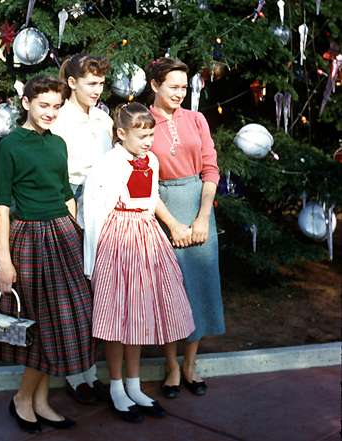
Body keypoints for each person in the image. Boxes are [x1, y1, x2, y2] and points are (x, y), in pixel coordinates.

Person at [0, 76, 93, 433]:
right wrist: (4, 260)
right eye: (43, 105)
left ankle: (40, 401)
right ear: (26, 102)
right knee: (41, 325)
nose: (50, 112)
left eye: (57, 106)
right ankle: (23, 399)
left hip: (63, 235)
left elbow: (66, 195)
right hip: (29, 240)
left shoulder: (59, 144)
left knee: (62, 323)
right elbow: (2, 206)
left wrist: (75, 235)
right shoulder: (10, 146)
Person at [83, 103, 195, 422]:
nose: (147, 141)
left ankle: (134, 385)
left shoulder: (152, 160)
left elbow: (150, 198)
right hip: (119, 242)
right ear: (121, 133)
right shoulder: (109, 164)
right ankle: (116, 387)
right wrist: (92, 263)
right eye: (141, 135)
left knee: (139, 315)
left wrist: (168, 225)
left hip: (147, 240)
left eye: (150, 134)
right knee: (119, 319)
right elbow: (94, 214)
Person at [146, 57, 225, 398]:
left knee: (201, 287)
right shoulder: (141, 120)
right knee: (169, 292)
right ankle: (171, 365)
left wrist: (203, 216)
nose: (180, 93)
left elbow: (210, 168)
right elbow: (142, 178)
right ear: (155, 86)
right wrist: (173, 224)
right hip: (162, 208)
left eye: (184, 86)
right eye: (172, 86)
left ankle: (190, 364)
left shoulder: (197, 119)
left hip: (198, 204)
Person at [50, 52, 112, 405]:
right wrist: (71, 215)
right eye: (90, 83)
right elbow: (59, 174)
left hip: (102, 205)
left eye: (101, 83)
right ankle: (77, 375)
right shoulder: (59, 121)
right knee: (74, 294)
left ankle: (92, 370)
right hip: (70, 204)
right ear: (72, 82)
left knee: (97, 292)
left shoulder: (104, 120)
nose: (97, 90)